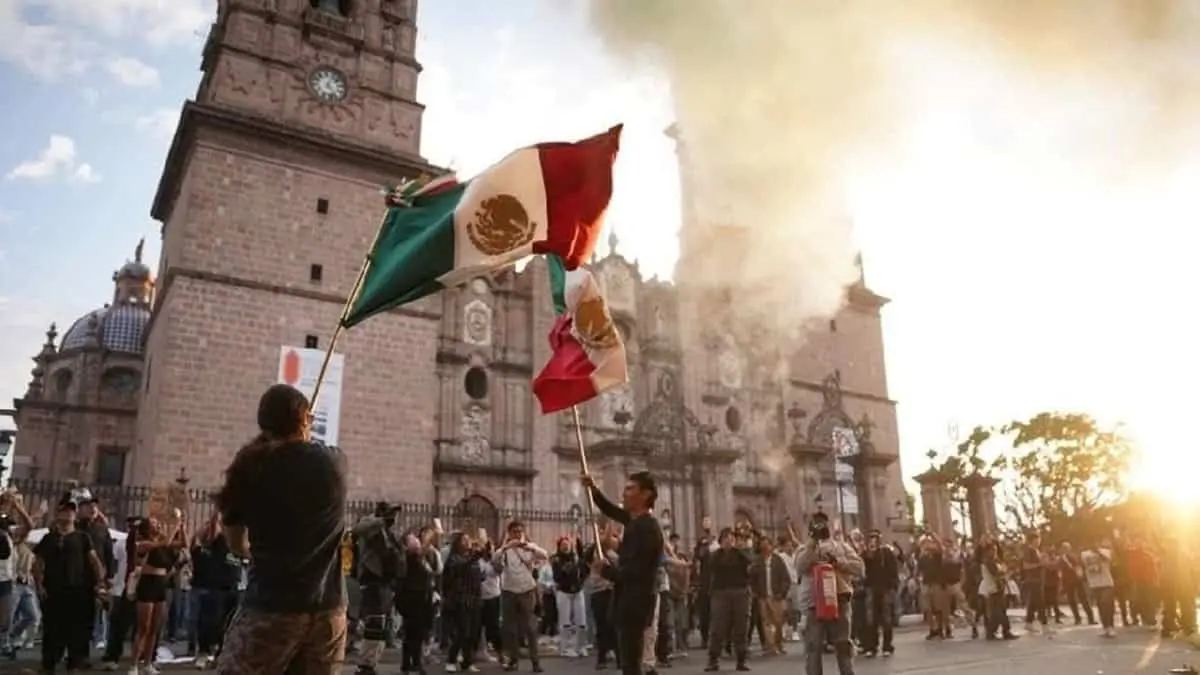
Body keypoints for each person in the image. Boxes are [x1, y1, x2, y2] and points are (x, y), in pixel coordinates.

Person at [213, 383, 349, 674]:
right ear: (304, 420)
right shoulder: (335, 462)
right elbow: (313, 449)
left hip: (272, 606)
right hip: (328, 609)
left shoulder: (249, 467)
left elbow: (236, 544)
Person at [581, 471, 664, 675]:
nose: (624, 494)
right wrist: (593, 490)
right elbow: (611, 510)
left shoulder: (647, 528)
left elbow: (636, 573)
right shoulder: (635, 522)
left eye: (630, 489)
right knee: (629, 662)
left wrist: (605, 570)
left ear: (645, 495)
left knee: (631, 664)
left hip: (636, 602)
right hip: (627, 601)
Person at [34, 494, 107, 674]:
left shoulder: (83, 537)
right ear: (58, 514)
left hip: (78, 590)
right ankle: (48, 665)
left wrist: (100, 583)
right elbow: (38, 563)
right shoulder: (48, 538)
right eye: (64, 511)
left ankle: (74, 664)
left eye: (71, 511)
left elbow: (94, 561)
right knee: (52, 629)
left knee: (77, 629)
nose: (68, 514)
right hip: (54, 590)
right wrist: (39, 585)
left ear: (75, 515)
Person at [795, 511, 863, 675]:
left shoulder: (842, 546)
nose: (820, 526)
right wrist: (812, 543)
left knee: (843, 644)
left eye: (823, 523)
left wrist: (839, 562)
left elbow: (860, 568)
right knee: (813, 646)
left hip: (838, 599)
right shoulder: (804, 548)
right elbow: (799, 567)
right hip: (814, 602)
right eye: (816, 523)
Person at [352, 503, 404, 675]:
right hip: (373, 580)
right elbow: (358, 528)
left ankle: (371, 662)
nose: (392, 519)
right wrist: (380, 520)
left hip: (385, 581)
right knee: (374, 623)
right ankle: (365, 664)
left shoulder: (388, 533)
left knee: (382, 625)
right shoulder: (371, 526)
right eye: (389, 514)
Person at [130, 515, 187, 674]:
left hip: (161, 584)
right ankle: (134, 664)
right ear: (147, 528)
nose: (158, 525)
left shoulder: (163, 545)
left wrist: (181, 527)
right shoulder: (144, 544)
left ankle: (148, 663)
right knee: (143, 627)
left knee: (155, 628)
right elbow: (166, 542)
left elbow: (183, 544)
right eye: (154, 523)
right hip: (148, 584)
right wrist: (175, 523)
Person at [493, 520, 547, 672]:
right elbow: (495, 560)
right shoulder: (505, 550)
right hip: (509, 591)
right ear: (509, 533)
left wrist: (529, 546)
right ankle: (513, 660)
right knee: (509, 628)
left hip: (526, 590)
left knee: (530, 627)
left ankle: (535, 661)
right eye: (514, 531)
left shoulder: (529, 548)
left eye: (520, 531)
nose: (517, 534)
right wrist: (505, 547)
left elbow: (544, 555)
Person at [704, 528, 752, 672]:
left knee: (741, 627)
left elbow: (751, 566)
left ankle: (741, 660)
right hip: (720, 593)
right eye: (725, 539)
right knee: (718, 627)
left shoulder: (741, 554)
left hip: (740, 592)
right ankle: (713, 659)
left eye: (731, 539)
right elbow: (708, 569)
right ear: (721, 541)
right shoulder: (715, 556)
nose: (728, 542)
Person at [441, 531, 483, 672]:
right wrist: (473, 558)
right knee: (462, 632)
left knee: (472, 633)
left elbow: (478, 577)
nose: (468, 542)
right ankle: (451, 659)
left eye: (468, 539)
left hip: (475, 598)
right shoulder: (454, 559)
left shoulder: (472, 559)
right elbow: (457, 571)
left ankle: (467, 661)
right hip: (460, 598)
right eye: (464, 540)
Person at [860, 530, 898, 656]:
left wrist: (892, 586)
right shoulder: (866, 553)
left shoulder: (886, 552)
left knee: (886, 619)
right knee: (871, 619)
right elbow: (863, 568)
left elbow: (893, 569)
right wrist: (868, 553)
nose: (873, 540)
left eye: (875, 538)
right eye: (871, 538)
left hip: (885, 588)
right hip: (871, 588)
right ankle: (871, 646)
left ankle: (887, 646)